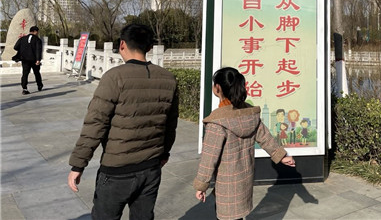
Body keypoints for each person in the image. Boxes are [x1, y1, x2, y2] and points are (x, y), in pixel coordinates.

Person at [67, 24, 179, 220]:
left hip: (117, 171)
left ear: (122, 45)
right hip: (151, 168)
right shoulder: (168, 79)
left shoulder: (114, 77)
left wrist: (78, 165)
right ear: (149, 47)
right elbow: (170, 125)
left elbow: (95, 124)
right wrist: (164, 153)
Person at [194, 67, 295, 220]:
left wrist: (201, 185)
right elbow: (265, 137)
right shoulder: (249, 113)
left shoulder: (217, 121)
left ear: (217, 88)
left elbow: (209, 158)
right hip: (245, 177)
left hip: (227, 182)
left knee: (227, 216)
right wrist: (281, 156)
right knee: (238, 215)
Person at [14, 25, 43, 95]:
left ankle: (24, 89)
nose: (37, 33)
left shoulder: (22, 38)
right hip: (34, 59)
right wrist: (38, 60)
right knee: (37, 73)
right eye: (37, 32)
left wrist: (23, 50)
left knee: (25, 74)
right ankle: (39, 85)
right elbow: (38, 50)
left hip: (25, 59)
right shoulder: (37, 40)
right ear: (35, 31)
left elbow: (15, 47)